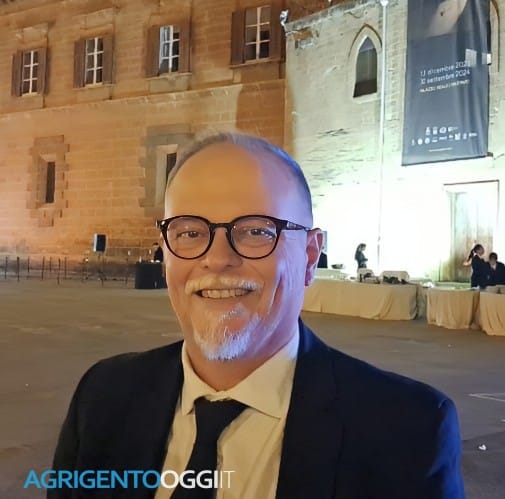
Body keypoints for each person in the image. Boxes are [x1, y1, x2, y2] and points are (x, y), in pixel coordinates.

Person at [50, 133, 465, 498]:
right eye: (190, 232)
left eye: (256, 231)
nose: (217, 259)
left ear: (309, 256)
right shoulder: (103, 397)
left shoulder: (407, 431)